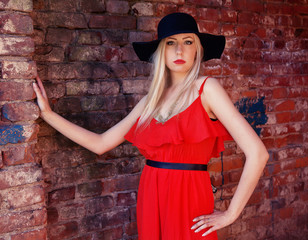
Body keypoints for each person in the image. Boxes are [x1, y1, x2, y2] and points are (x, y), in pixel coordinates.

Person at [33, 12, 269, 240]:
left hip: (188, 196)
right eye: (170, 43)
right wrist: (48, 115)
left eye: (188, 42)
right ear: (160, 51)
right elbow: (101, 143)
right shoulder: (150, 101)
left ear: (197, 49)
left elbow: (258, 153)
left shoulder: (207, 88)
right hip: (151, 194)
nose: (179, 50)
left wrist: (231, 213)